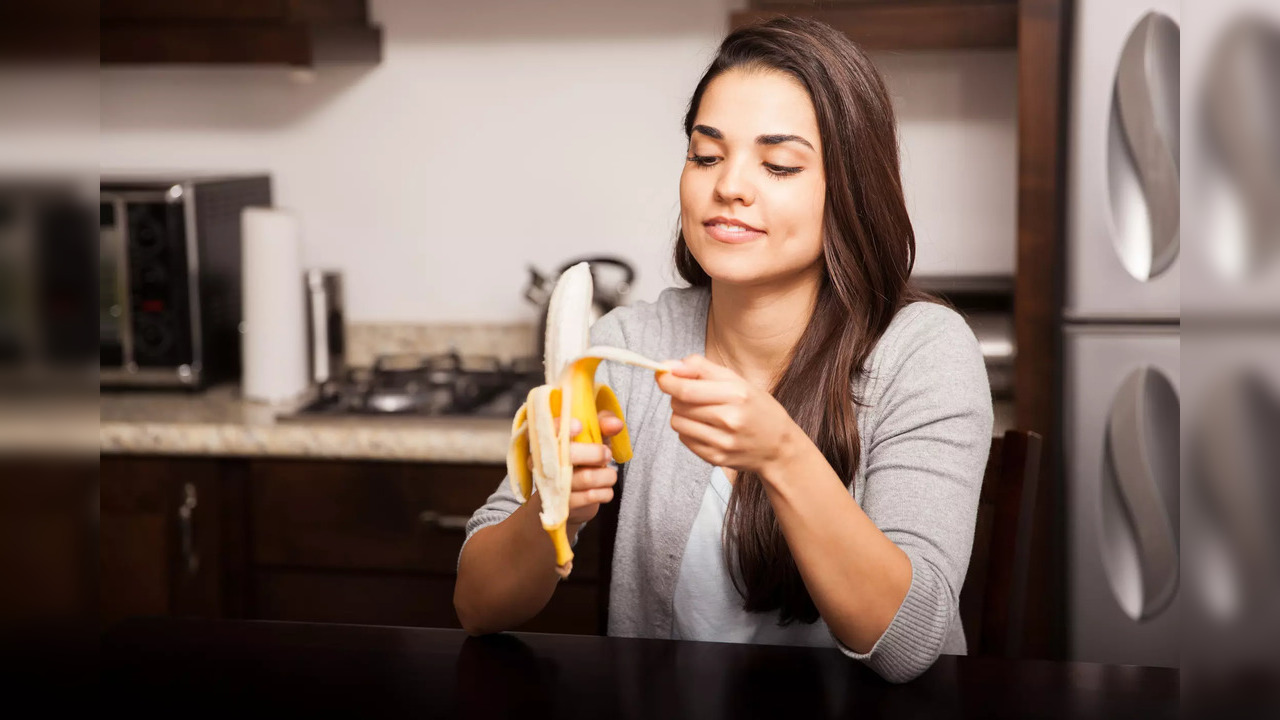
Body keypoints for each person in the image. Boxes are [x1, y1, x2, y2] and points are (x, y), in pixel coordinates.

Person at [454, 16, 993, 683]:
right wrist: (552, 508)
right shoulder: (626, 347)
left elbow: (909, 648)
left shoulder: (925, 354)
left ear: (848, 190)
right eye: (706, 155)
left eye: (779, 164)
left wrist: (782, 455)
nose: (729, 185)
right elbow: (476, 606)